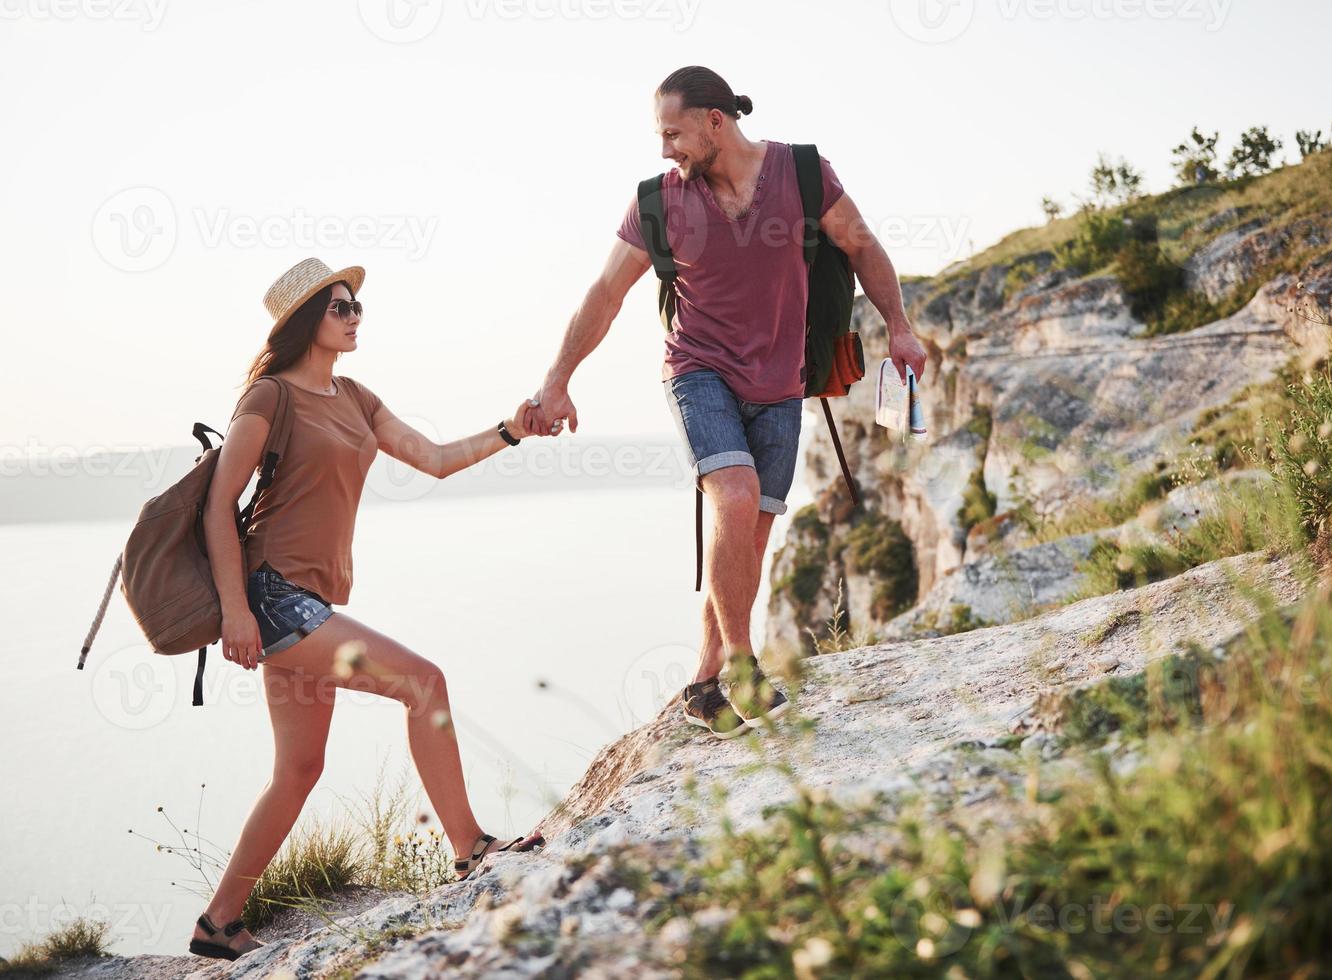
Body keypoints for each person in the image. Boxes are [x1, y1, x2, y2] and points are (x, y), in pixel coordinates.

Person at [523, 66, 927, 738]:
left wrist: (902, 327)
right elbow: (604, 295)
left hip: (781, 382)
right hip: (697, 371)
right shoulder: (657, 203)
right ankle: (742, 665)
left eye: (673, 133)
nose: (664, 150)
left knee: (749, 536)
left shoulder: (802, 174)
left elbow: (860, 247)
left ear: (715, 121)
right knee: (733, 499)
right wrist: (557, 378)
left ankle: (704, 681)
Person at [188, 257, 550, 962]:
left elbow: (436, 458)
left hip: (310, 600)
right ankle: (470, 846)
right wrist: (235, 609)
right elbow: (215, 507)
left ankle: (218, 923)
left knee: (298, 770)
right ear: (305, 323)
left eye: (357, 307)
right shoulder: (268, 398)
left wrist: (511, 430)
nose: (356, 317)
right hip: (272, 595)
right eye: (341, 308)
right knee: (424, 682)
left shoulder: (354, 396)